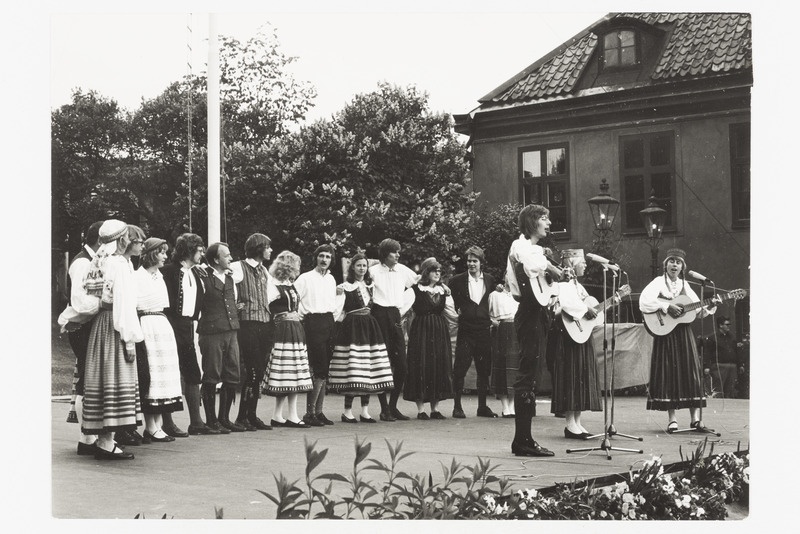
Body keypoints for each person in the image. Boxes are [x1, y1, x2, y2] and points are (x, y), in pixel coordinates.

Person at [639, 248, 720, 432]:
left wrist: (710, 305)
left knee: (690, 372)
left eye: (678, 262)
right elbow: (644, 302)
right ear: (665, 264)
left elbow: (696, 311)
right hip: (666, 333)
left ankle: (695, 419)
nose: (674, 264)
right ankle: (672, 419)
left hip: (683, 333)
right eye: (671, 261)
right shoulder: (658, 282)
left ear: (683, 266)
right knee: (670, 373)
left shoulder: (686, 285)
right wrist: (667, 306)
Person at [81, 219, 142, 460]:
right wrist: (129, 338)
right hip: (115, 326)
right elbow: (124, 303)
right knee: (116, 379)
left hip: (101, 325)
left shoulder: (100, 261)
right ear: (122, 239)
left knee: (104, 380)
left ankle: (104, 440)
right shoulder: (118, 264)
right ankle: (107, 442)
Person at [505, 204, 561, 457]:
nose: (548, 223)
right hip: (528, 314)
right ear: (531, 222)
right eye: (543, 218)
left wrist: (555, 275)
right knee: (527, 375)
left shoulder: (536, 250)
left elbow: (542, 282)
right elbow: (530, 265)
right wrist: (552, 268)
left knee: (533, 374)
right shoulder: (521, 246)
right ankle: (522, 441)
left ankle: (525, 439)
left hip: (537, 313)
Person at [328, 253, 394, 422]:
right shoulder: (345, 286)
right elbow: (337, 309)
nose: (362, 268)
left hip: (370, 328)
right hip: (353, 328)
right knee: (354, 367)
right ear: (352, 267)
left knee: (369, 368)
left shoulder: (371, 285)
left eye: (364, 265)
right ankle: (347, 411)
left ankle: (365, 410)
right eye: (358, 265)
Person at [58, 220, 103, 455]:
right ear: (100, 240)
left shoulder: (91, 260)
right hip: (80, 326)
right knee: (86, 379)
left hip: (86, 325)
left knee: (88, 378)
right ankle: (86, 437)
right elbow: (79, 301)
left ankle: (89, 436)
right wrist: (104, 303)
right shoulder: (82, 263)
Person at [134, 238, 185, 443]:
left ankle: (157, 425)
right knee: (153, 373)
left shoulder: (159, 276)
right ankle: (150, 426)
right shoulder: (138, 276)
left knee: (164, 374)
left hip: (161, 323)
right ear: (152, 254)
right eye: (162, 252)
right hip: (147, 323)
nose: (165, 256)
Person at [161, 233, 211, 436]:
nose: (202, 254)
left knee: (192, 372)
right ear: (189, 250)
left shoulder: (197, 273)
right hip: (170, 323)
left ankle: (196, 422)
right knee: (169, 373)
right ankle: (167, 422)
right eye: (199, 250)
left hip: (188, 325)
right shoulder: (168, 272)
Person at [549, 249, 602, 439]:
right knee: (571, 375)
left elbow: (589, 306)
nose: (585, 265)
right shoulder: (563, 282)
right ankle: (570, 423)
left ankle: (577, 422)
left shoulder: (578, 285)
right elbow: (564, 304)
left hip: (581, 334)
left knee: (581, 374)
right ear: (572, 261)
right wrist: (585, 309)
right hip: (568, 334)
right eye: (582, 261)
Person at [369, 238, 420, 421]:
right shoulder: (373, 271)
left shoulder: (403, 270)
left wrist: (442, 287)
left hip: (395, 316)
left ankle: (392, 406)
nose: (398, 255)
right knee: (382, 362)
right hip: (378, 315)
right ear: (384, 254)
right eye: (394, 252)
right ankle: (384, 408)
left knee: (402, 365)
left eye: (399, 251)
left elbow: (418, 285)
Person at [230, 233, 276, 431]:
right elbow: (227, 291)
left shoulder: (264, 270)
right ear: (258, 248)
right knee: (253, 371)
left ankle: (251, 414)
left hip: (264, 323)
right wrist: (237, 306)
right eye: (267, 247)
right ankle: (243, 416)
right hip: (248, 324)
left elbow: (270, 296)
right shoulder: (238, 267)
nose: (270, 250)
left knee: (259, 370)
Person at [262, 250, 313, 427]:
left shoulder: (289, 284)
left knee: (294, 372)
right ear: (289, 266)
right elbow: (266, 306)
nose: (298, 268)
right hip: (283, 330)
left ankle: (285, 414)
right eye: (296, 264)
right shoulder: (273, 284)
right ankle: (286, 415)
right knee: (287, 372)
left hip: (294, 329)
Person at [197, 242, 242, 434]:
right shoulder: (202, 277)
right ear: (216, 259)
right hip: (211, 333)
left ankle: (224, 418)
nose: (231, 258)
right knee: (211, 375)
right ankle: (211, 420)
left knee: (232, 375)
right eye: (227, 255)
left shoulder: (230, 279)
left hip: (231, 331)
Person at [448, 246, 498, 418]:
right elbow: (449, 301)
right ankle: (457, 406)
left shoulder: (490, 280)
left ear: (481, 263)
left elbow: (493, 301)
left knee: (484, 370)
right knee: (460, 368)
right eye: (469, 261)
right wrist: (457, 312)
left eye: (474, 261)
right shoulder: (456, 281)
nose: (471, 264)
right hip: (466, 330)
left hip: (484, 330)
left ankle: (482, 407)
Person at [403, 257, 455, 420]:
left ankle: (435, 408)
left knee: (438, 365)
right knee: (421, 365)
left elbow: (452, 314)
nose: (438, 274)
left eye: (439, 271)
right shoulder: (414, 290)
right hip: (421, 330)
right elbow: (402, 309)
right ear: (427, 272)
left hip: (439, 331)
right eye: (434, 270)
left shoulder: (443, 291)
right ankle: (420, 410)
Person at [294, 244, 339, 427]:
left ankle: (318, 412)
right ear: (316, 258)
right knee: (318, 367)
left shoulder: (331, 279)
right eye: (321, 256)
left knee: (325, 368)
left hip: (329, 321)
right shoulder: (305, 278)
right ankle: (309, 412)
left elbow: (333, 303)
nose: (324, 260)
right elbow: (294, 298)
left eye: (328, 257)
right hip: (312, 322)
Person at [114, 224, 147, 447]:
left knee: (140, 377)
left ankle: (129, 426)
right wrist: (128, 338)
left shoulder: (128, 264)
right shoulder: (119, 264)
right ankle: (121, 429)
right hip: (124, 325)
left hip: (133, 322)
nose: (141, 246)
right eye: (139, 242)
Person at [489, 281, 519, 418]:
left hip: (517, 331)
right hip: (502, 330)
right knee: (502, 367)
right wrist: (496, 324)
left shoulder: (519, 294)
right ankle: (505, 406)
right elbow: (489, 314)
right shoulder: (495, 294)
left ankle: (512, 405)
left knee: (515, 368)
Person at [702, 316, 740, 399]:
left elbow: (736, 351)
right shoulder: (713, 338)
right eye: (727, 324)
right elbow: (707, 353)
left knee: (730, 390)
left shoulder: (732, 337)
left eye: (729, 324)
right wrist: (707, 366)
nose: (729, 326)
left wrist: (739, 365)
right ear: (720, 325)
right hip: (719, 366)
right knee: (718, 390)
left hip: (731, 366)